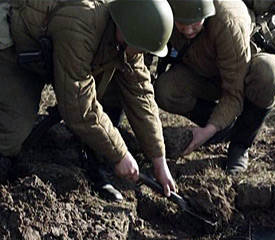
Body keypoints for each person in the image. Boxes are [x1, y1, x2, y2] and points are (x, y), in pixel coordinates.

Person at [0, 0, 176, 196]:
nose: (141, 54)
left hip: (52, 49)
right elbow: (78, 105)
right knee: (11, 135)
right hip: (17, 38)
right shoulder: (81, 26)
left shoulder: (128, 29)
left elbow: (140, 92)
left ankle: (91, 154)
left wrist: (159, 159)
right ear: (126, 31)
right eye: (141, 48)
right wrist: (120, 154)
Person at [154, 0, 275, 174]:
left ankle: (240, 144)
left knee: (269, 74)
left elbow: (233, 94)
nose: (187, 30)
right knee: (166, 90)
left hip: (242, 68)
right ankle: (224, 130)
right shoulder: (163, 10)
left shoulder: (228, 22)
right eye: (181, 23)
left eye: (194, 23)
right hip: (203, 68)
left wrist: (206, 131)